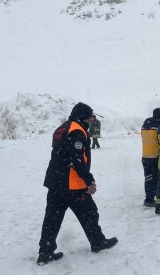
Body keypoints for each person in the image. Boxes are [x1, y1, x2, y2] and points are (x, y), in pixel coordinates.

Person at [37, 102, 117, 266]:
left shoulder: (63, 127)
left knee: (52, 219)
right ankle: (97, 242)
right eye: (91, 116)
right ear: (83, 116)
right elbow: (77, 160)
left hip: (55, 182)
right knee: (89, 213)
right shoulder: (77, 131)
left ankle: (45, 252)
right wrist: (89, 181)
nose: (93, 119)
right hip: (72, 185)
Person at [141, 108, 160, 207]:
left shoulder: (145, 124)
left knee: (148, 178)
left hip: (145, 155)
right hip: (155, 155)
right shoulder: (159, 125)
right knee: (155, 179)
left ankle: (148, 198)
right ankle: (151, 200)